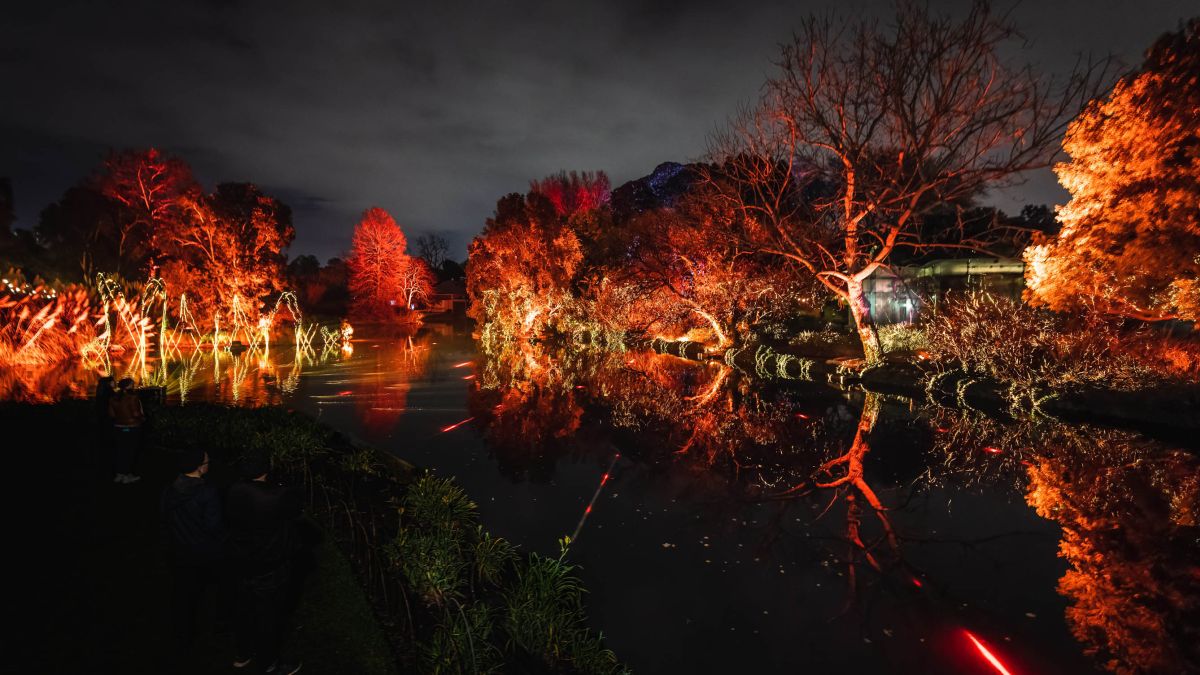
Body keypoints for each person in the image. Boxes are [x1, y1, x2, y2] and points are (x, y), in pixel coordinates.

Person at [226, 455, 304, 674]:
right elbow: (296, 508)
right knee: (268, 618)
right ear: (264, 471)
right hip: (268, 568)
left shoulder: (234, 490)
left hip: (241, 562)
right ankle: (269, 663)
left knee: (244, 610)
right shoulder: (275, 496)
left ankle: (243, 653)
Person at [161, 448, 225, 651]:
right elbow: (214, 526)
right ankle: (219, 627)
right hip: (203, 552)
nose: (209, 464)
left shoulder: (170, 490)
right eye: (206, 461)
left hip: (179, 551)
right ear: (199, 467)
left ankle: (182, 635)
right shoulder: (207, 492)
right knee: (215, 589)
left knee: (183, 595)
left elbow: (164, 518)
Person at [108, 378, 145, 484]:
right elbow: (136, 414)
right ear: (129, 386)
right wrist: (143, 418)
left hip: (118, 427)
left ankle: (119, 474)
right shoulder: (133, 397)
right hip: (132, 427)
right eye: (133, 384)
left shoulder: (113, 398)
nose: (134, 386)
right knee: (130, 451)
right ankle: (127, 475)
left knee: (120, 450)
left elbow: (112, 414)